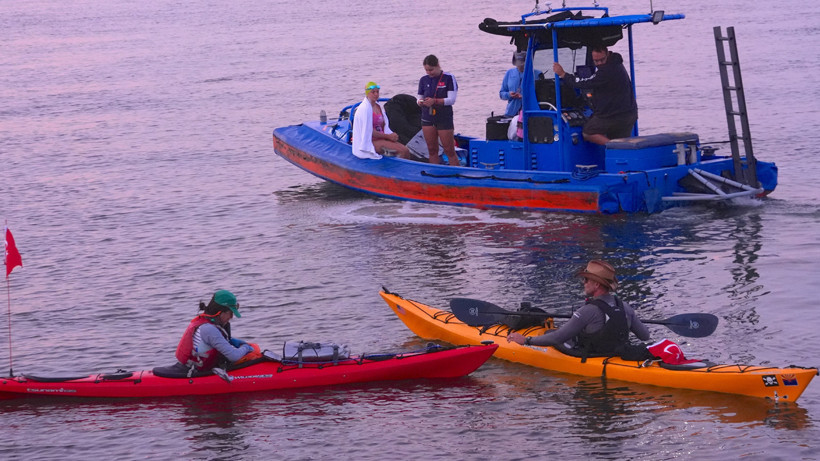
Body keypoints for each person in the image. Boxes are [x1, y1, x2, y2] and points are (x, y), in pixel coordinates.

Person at [507, 260, 650, 357]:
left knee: (551, 332)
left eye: (586, 279)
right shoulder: (625, 307)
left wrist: (526, 340)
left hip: (592, 356)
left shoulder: (588, 311)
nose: (583, 282)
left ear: (597, 285)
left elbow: (558, 338)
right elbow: (645, 336)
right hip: (616, 353)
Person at [553, 45, 638, 145]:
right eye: (596, 61)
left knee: (588, 132)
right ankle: (618, 149)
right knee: (618, 139)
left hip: (614, 115)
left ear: (607, 53)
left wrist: (563, 74)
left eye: (602, 60)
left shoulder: (607, 71)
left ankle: (614, 147)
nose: (599, 64)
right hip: (629, 114)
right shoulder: (616, 62)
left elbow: (585, 83)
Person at [175, 289, 254, 376]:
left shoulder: (206, 322)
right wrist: (246, 347)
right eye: (230, 313)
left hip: (195, 368)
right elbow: (234, 356)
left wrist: (231, 341)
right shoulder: (208, 329)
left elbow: (213, 341)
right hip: (195, 373)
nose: (231, 317)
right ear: (220, 312)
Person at [417, 54, 460, 166]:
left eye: (431, 70)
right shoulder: (423, 80)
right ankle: (435, 173)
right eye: (426, 70)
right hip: (427, 116)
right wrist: (421, 102)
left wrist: (435, 101)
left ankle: (456, 174)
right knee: (431, 149)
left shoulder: (448, 78)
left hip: (443, 117)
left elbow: (451, 100)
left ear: (437, 66)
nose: (429, 73)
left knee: (449, 150)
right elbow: (419, 98)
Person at [352, 82, 412, 160]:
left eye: (377, 92)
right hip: (371, 141)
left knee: (406, 150)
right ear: (367, 93)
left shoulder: (378, 106)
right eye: (373, 92)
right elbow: (369, 131)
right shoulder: (364, 109)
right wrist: (388, 136)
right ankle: (396, 170)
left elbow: (384, 125)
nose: (376, 94)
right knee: (402, 152)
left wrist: (390, 134)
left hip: (381, 138)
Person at [499, 51, 527, 117]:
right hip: (511, 112)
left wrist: (524, 97)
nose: (520, 66)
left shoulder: (535, 74)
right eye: (518, 64)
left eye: (522, 64)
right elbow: (501, 93)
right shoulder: (509, 73)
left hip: (528, 112)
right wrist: (509, 94)